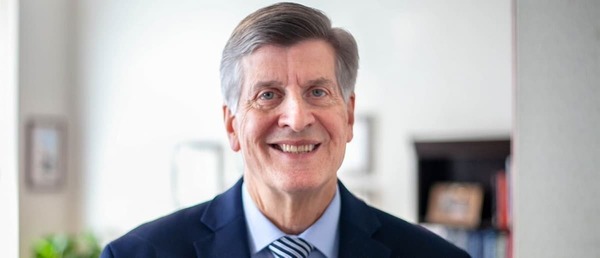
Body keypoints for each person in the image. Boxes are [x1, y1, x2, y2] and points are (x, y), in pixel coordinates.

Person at [101, 2, 470, 258]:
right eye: (268, 95)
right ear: (232, 125)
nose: (296, 119)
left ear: (349, 116)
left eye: (318, 92)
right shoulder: (137, 254)